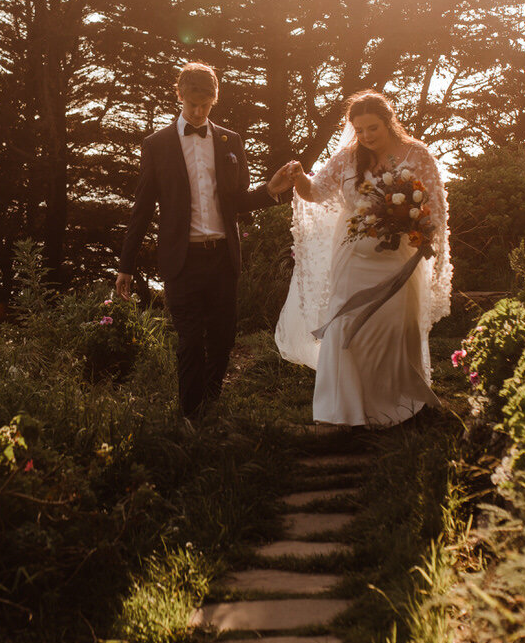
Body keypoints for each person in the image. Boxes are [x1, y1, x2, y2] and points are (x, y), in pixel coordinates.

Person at [117, 63, 299, 420]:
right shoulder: (156, 145)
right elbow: (141, 209)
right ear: (179, 96)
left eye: (206, 106)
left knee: (222, 339)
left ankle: (211, 407)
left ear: (215, 100)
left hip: (222, 260)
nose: (199, 113)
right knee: (189, 342)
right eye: (193, 105)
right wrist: (126, 264)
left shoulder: (232, 141)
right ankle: (189, 418)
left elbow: (238, 202)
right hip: (182, 261)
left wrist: (271, 190)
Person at [274, 89, 451, 426]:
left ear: (389, 122)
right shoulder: (346, 158)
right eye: (360, 130)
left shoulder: (417, 154)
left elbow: (435, 209)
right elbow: (314, 192)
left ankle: (394, 407)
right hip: (353, 257)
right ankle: (340, 411)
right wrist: (298, 178)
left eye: (373, 128)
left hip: (398, 257)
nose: (367, 136)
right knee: (346, 326)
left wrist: (416, 227)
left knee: (394, 327)